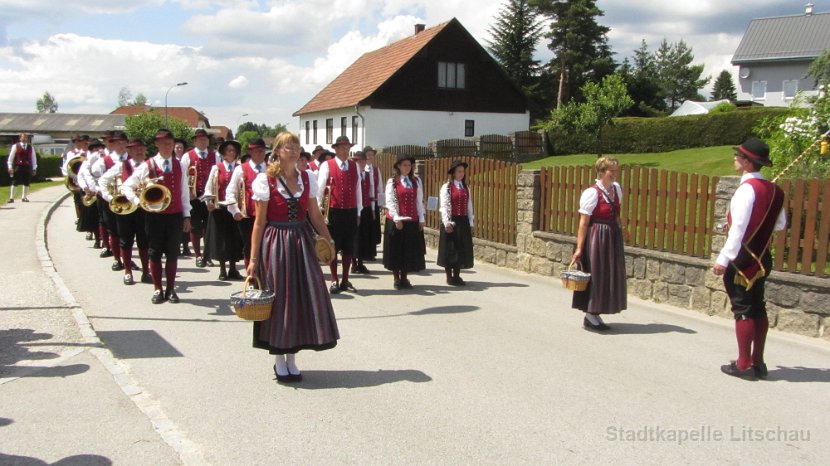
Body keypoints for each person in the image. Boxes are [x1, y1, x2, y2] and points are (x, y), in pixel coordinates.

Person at [247, 132, 338, 383]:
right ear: (277, 150)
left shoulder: (307, 178)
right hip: (276, 241)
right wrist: (253, 260)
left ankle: (293, 358)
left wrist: (329, 242)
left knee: (301, 297)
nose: (294, 149)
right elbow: (259, 222)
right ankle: (279, 359)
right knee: (280, 298)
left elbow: (316, 216)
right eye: (288, 146)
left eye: (296, 145)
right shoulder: (266, 181)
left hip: (302, 241)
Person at [713, 137, 787, 380]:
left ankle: (744, 364)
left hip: (742, 259)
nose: (735, 158)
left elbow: (739, 229)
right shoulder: (776, 191)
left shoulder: (747, 190)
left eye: (738, 156)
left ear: (746, 162)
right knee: (758, 306)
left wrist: (723, 258)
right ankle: (758, 362)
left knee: (743, 308)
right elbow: (780, 224)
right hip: (763, 257)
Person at [122, 129, 192, 304]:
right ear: (156, 145)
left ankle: (170, 289)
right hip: (155, 216)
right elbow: (126, 186)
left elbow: (183, 192)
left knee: (173, 254)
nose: (168, 147)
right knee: (154, 253)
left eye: (170, 144)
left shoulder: (180, 165)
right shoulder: (148, 165)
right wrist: (139, 202)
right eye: (164, 144)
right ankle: (157, 289)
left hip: (175, 215)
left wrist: (186, 215)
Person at [571, 156, 627, 331]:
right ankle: (590, 314)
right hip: (596, 237)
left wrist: (621, 228)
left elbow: (616, 213)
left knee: (609, 274)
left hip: (612, 236)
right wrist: (579, 247)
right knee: (597, 274)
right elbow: (584, 222)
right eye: (612, 170)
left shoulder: (616, 189)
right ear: (602, 172)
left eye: (617, 170)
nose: (615, 174)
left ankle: (595, 313)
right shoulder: (592, 193)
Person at [99, 137, 151, 285]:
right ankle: (127, 271)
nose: (139, 151)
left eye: (141, 148)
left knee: (144, 242)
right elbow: (103, 180)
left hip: (143, 209)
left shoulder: (149, 166)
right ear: (129, 151)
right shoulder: (122, 166)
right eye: (135, 149)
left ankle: (146, 272)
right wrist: (110, 198)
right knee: (125, 241)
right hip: (126, 210)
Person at [316, 135, 362, 294]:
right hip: (334, 212)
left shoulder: (354, 166)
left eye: (348, 147)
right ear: (335, 149)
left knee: (349, 247)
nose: (346, 150)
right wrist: (319, 211)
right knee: (333, 245)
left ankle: (345, 279)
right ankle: (334, 278)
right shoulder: (327, 165)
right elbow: (320, 189)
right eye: (342, 147)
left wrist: (359, 210)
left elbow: (358, 189)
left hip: (350, 211)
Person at [383, 154, 426, 289]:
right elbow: (390, 201)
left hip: (411, 220)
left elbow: (419, 201)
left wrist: (421, 218)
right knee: (396, 250)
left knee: (408, 250)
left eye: (409, 165)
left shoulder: (416, 181)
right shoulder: (393, 181)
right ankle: (396, 278)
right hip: (397, 220)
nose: (407, 167)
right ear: (398, 166)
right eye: (404, 165)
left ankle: (405, 277)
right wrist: (396, 218)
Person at [203, 140, 244, 280]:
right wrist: (209, 202)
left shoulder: (240, 168)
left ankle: (233, 269)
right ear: (223, 153)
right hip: (219, 208)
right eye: (228, 150)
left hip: (235, 208)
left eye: (233, 150)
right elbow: (209, 187)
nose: (231, 153)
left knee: (234, 239)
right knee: (221, 239)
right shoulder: (217, 168)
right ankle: (222, 269)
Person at [226, 138, 269, 271]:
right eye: (255, 151)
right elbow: (230, 191)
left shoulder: (271, 169)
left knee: (267, 246)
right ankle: (251, 279)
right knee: (249, 247)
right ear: (250, 152)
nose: (259, 154)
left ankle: (265, 277)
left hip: (268, 215)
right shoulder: (241, 169)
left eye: (261, 151)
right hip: (248, 215)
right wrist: (234, 210)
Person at [181, 129, 220, 268]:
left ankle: (207, 255)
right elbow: (183, 176)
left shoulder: (215, 156)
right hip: (194, 196)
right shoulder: (187, 156)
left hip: (209, 197)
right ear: (195, 141)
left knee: (209, 228)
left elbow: (218, 176)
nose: (203, 141)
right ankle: (198, 255)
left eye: (205, 139)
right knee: (196, 227)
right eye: (200, 139)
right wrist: (188, 192)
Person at [93, 131, 129, 271]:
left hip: (128, 200)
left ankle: (127, 259)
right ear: (112, 145)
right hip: (110, 200)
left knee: (127, 232)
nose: (120, 146)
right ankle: (116, 258)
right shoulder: (103, 161)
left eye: (123, 143)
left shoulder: (131, 160)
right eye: (117, 143)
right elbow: (96, 178)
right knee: (113, 230)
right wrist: (106, 194)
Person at [437, 160, 475, 286]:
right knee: (450, 249)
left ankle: (457, 275)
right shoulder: (447, 187)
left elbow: (469, 206)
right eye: (459, 171)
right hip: (451, 220)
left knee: (460, 248)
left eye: (463, 171)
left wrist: (470, 222)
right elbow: (444, 205)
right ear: (453, 173)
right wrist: (447, 222)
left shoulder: (466, 188)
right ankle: (449, 276)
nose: (461, 174)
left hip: (462, 220)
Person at [78, 138, 106, 250]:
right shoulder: (87, 162)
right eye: (95, 148)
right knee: (94, 217)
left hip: (104, 191)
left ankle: (105, 241)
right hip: (91, 191)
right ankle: (98, 239)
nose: (97, 150)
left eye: (99, 147)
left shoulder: (105, 159)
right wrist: (85, 188)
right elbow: (81, 175)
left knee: (103, 218)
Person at [350, 151, 375, 274]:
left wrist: (373, 208)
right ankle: (353, 263)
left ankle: (361, 263)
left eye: (363, 161)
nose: (362, 163)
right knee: (355, 236)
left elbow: (371, 192)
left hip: (366, 208)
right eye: (359, 161)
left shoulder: (367, 174)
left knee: (364, 236)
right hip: (355, 209)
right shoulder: (353, 175)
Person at [363, 146, 384, 262]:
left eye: (371, 154)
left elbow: (380, 186)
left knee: (374, 228)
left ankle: (372, 252)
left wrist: (380, 203)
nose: (370, 156)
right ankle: (365, 252)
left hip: (374, 202)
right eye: (368, 154)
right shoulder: (362, 169)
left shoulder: (376, 170)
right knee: (366, 228)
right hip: (365, 203)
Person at [6, 133, 37, 203]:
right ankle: (11, 198)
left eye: (26, 138)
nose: (25, 139)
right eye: (23, 137)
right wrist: (10, 167)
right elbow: (10, 158)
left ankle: (24, 197)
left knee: (26, 182)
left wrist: (34, 168)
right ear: (20, 138)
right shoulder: (15, 146)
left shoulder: (30, 147)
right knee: (14, 181)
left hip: (27, 166)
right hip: (18, 166)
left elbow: (33, 158)